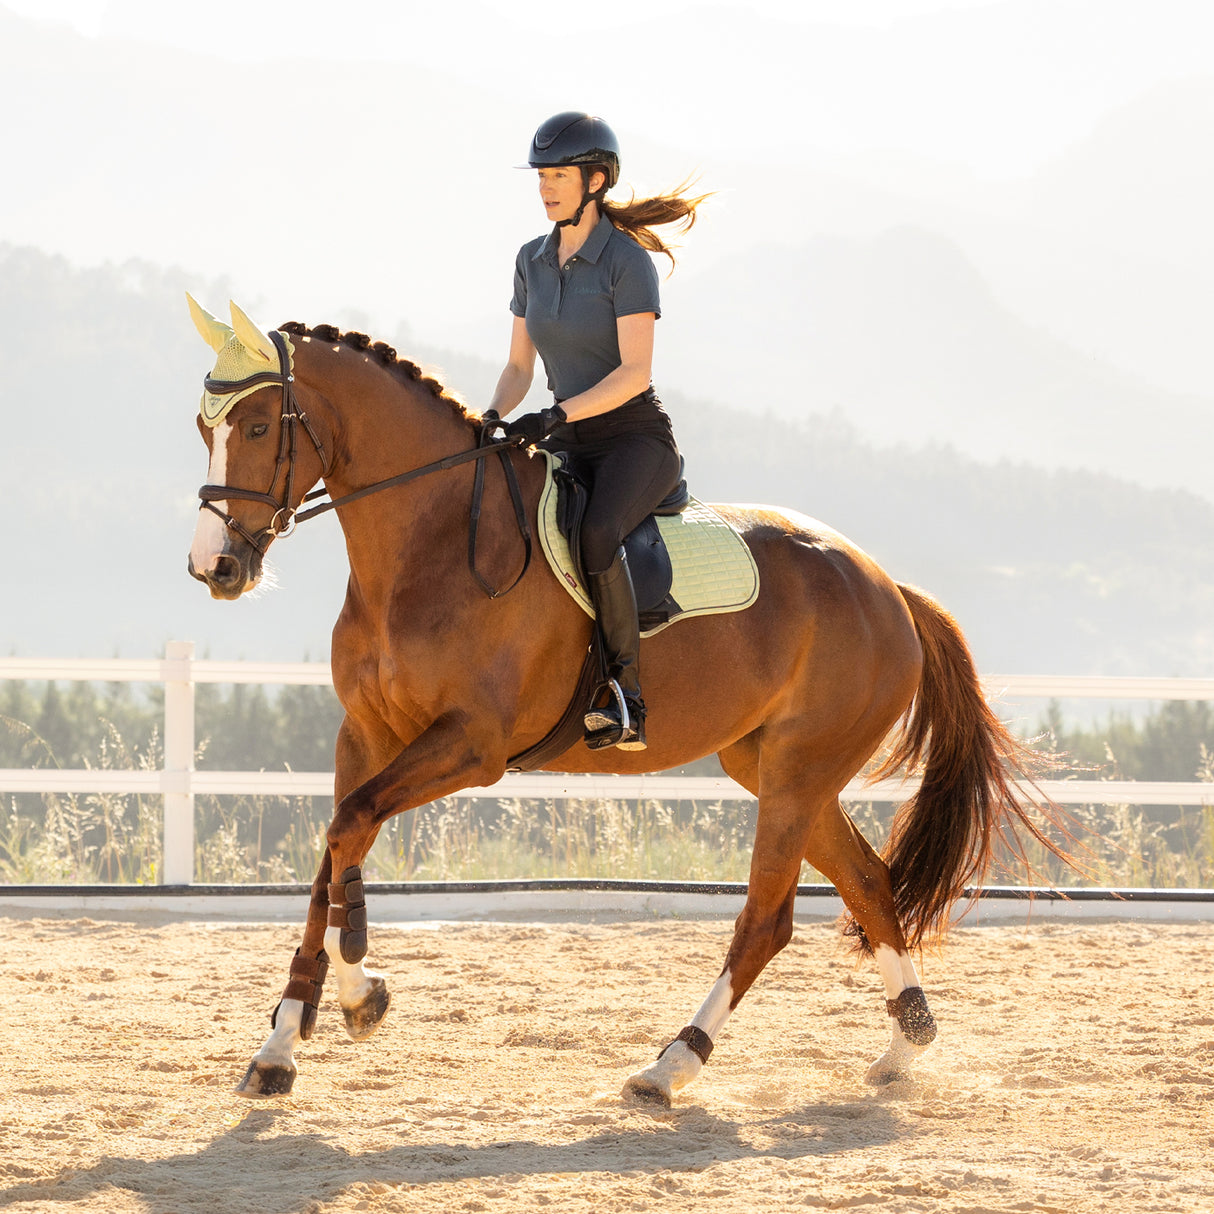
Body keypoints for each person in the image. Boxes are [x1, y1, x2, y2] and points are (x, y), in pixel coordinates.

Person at [486, 111, 708, 752]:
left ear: (596, 180)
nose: (546, 187)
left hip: (634, 440)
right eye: (541, 176)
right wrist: (492, 420)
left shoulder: (626, 262)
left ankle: (625, 698)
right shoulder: (531, 260)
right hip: (567, 438)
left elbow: (636, 373)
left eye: (559, 175)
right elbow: (518, 366)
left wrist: (556, 415)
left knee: (597, 531)